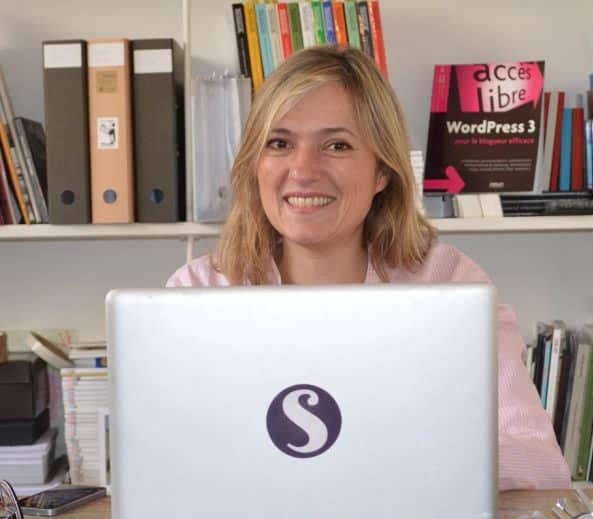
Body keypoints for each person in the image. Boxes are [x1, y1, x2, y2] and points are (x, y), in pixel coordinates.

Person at [167, 46, 571, 490]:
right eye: (279, 143)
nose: (303, 170)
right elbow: (161, 460)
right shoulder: (197, 292)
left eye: (336, 145)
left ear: (383, 172)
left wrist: (401, 456)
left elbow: (540, 464)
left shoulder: (450, 286)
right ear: (254, 165)